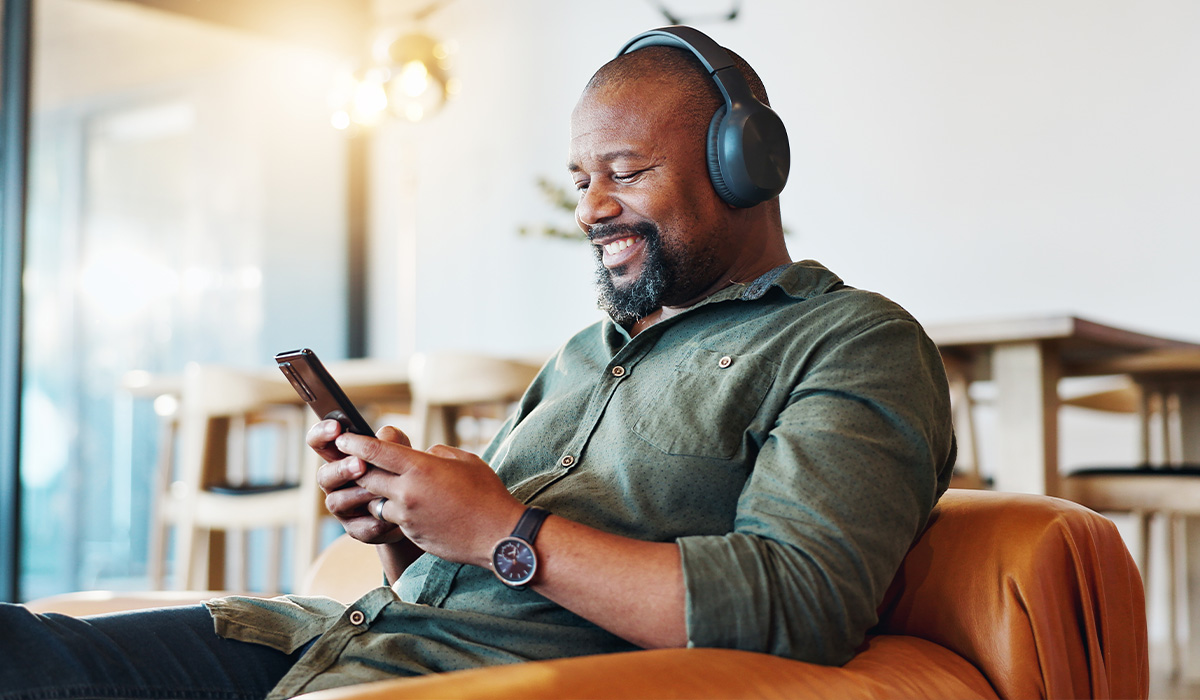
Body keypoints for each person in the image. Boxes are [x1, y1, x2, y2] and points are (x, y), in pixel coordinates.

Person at [0, 26, 954, 700]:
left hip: (431, 682)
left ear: (745, 166)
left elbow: (802, 607)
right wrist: (404, 518)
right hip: (322, 637)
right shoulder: (588, 354)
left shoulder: (852, 343)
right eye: (581, 180)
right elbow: (486, 559)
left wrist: (504, 526)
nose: (590, 210)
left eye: (625, 172)